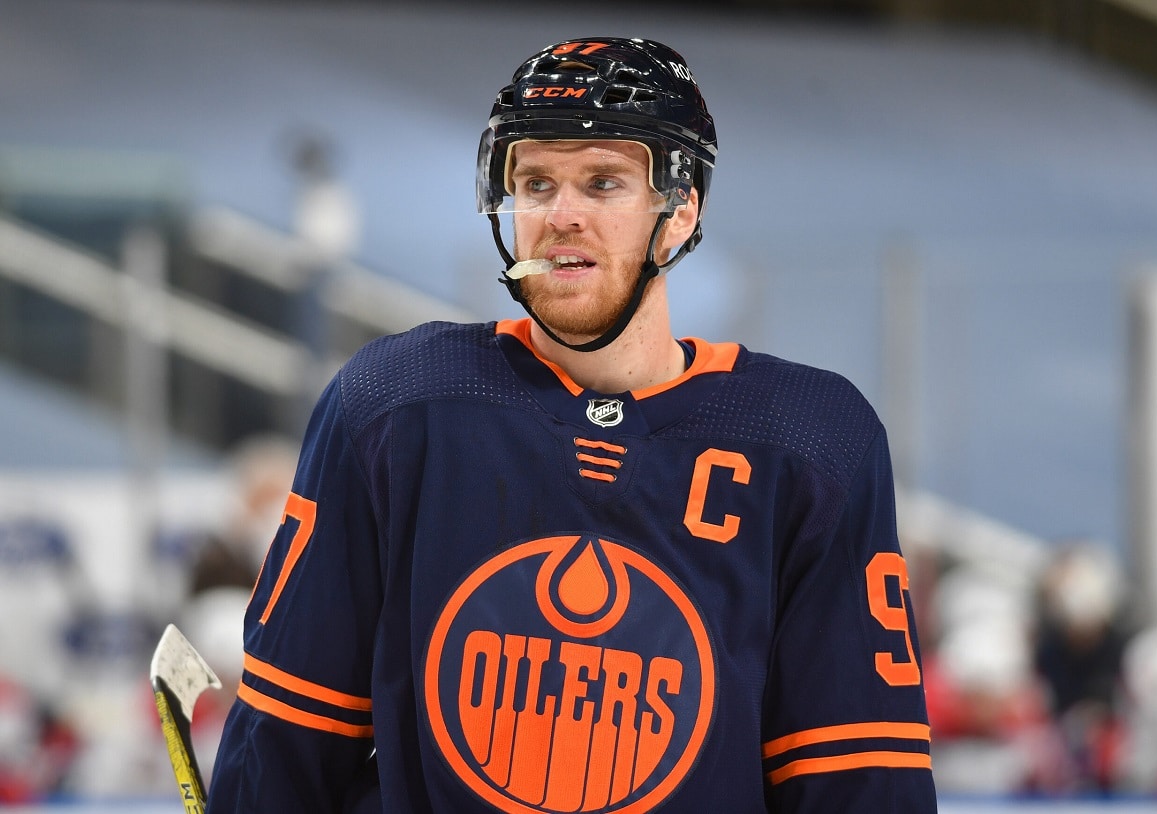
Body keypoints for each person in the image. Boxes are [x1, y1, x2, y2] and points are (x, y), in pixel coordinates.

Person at [208, 37, 937, 812]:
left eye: (603, 183)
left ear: (680, 211)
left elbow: (860, 782)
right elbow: (286, 742)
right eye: (535, 183)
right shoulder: (395, 405)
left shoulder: (811, 442)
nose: (560, 216)